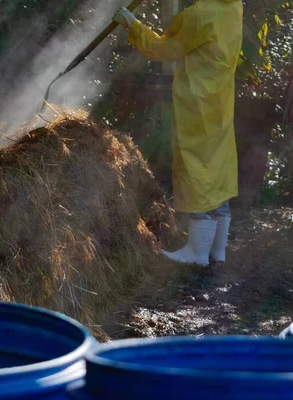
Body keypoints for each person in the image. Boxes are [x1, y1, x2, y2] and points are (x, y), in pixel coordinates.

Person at [113, 0, 243, 267]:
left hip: (197, 105)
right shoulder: (234, 6)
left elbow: (164, 49)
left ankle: (196, 253)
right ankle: (217, 251)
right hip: (220, 101)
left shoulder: (200, 15)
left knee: (195, 167)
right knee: (218, 169)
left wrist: (133, 26)